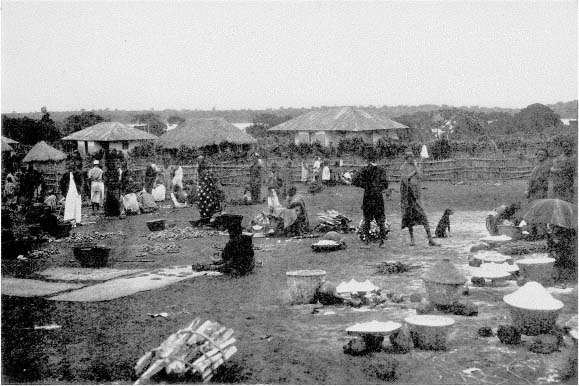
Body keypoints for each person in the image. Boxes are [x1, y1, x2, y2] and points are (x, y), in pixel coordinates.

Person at [399, 150, 439, 247]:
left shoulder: (415, 166)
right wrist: (414, 171)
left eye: (412, 157)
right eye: (409, 158)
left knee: (424, 217)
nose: (411, 159)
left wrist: (416, 167)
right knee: (409, 219)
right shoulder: (403, 168)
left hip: (417, 196)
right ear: (406, 158)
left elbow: (420, 176)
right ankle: (412, 239)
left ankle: (430, 239)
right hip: (408, 197)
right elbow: (405, 179)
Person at [352, 149, 390, 247]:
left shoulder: (365, 170)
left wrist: (364, 185)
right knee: (380, 219)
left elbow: (354, 180)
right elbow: (385, 184)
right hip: (378, 197)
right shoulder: (381, 170)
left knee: (367, 219)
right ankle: (382, 242)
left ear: (367, 160)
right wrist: (378, 188)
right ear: (376, 159)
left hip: (368, 196)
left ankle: (367, 242)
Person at [196, 159, 223, 224]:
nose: (207, 171)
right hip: (203, 194)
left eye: (207, 169)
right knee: (203, 206)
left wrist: (217, 191)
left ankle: (209, 218)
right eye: (205, 169)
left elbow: (214, 184)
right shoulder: (201, 176)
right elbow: (202, 185)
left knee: (210, 205)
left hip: (209, 194)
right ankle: (205, 218)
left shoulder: (209, 175)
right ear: (201, 171)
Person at [60, 159, 83, 226]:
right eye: (70, 167)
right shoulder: (66, 175)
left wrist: (80, 190)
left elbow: (81, 183)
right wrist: (64, 193)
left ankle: (77, 221)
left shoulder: (78, 174)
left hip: (76, 192)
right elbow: (62, 184)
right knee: (69, 206)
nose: (72, 168)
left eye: (73, 166)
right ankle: (69, 221)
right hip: (69, 192)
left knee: (77, 206)